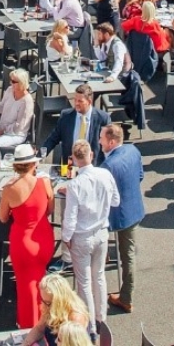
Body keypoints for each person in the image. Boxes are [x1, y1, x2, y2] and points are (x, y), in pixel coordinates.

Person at [61, 140, 119, 329]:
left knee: (84, 282)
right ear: (91, 155)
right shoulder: (105, 174)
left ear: (74, 159)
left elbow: (70, 218)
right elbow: (116, 201)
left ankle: (89, 326)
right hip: (101, 233)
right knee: (99, 276)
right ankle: (102, 319)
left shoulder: (75, 185)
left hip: (82, 237)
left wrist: (66, 237)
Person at [0, 144, 57, 330]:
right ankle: (45, 323)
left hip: (23, 245)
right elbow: (50, 209)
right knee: (41, 284)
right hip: (44, 241)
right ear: (33, 164)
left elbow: (2, 217)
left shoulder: (9, 188)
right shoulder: (45, 183)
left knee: (26, 289)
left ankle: (28, 329)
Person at [99, 124, 144, 311]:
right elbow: (140, 176)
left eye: (101, 138)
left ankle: (123, 300)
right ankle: (126, 296)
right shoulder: (133, 150)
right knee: (129, 255)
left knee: (124, 256)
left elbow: (99, 196)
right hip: (133, 210)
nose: (99, 141)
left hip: (114, 216)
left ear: (111, 142)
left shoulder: (107, 166)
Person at [40, 84, 111, 165]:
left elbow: (108, 146)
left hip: (92, 167)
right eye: (75, 100)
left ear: (89, 101)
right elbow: (53, 139)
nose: (76, 103)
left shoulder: (102, 118)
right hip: (69, 166)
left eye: (80, 101)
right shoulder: (66, 116)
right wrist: (40, 155)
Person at [22, 273, 90, 346]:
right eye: (42, 300)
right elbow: (39, 329)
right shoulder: (49, 306)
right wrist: (25, 344)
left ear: (59, 302)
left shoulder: (75, 318)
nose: (43, 305)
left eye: (47, 303)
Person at [0, 68, 36, 148]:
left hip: (15, 134)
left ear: (22, 83)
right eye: (11, 80)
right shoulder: (10, 90)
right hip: (1, 127)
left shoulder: (27, 101)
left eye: (13, 82)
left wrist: (2, 131)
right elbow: (1, 108)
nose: (10, 83)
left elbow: (19, 127)